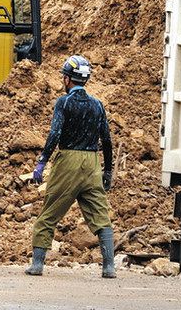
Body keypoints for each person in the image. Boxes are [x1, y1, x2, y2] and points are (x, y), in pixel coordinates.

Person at [26, 54, 115, 279]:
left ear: (68, 79)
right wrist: (108, 170)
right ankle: (109, 267)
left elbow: (55, 133)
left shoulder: (64, 102)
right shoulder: (97, 105)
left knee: (49, 212)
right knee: (100, 215)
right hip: (92, 163)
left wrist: (42, 162)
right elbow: (106, 139)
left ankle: (37, 265)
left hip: (68, 161)